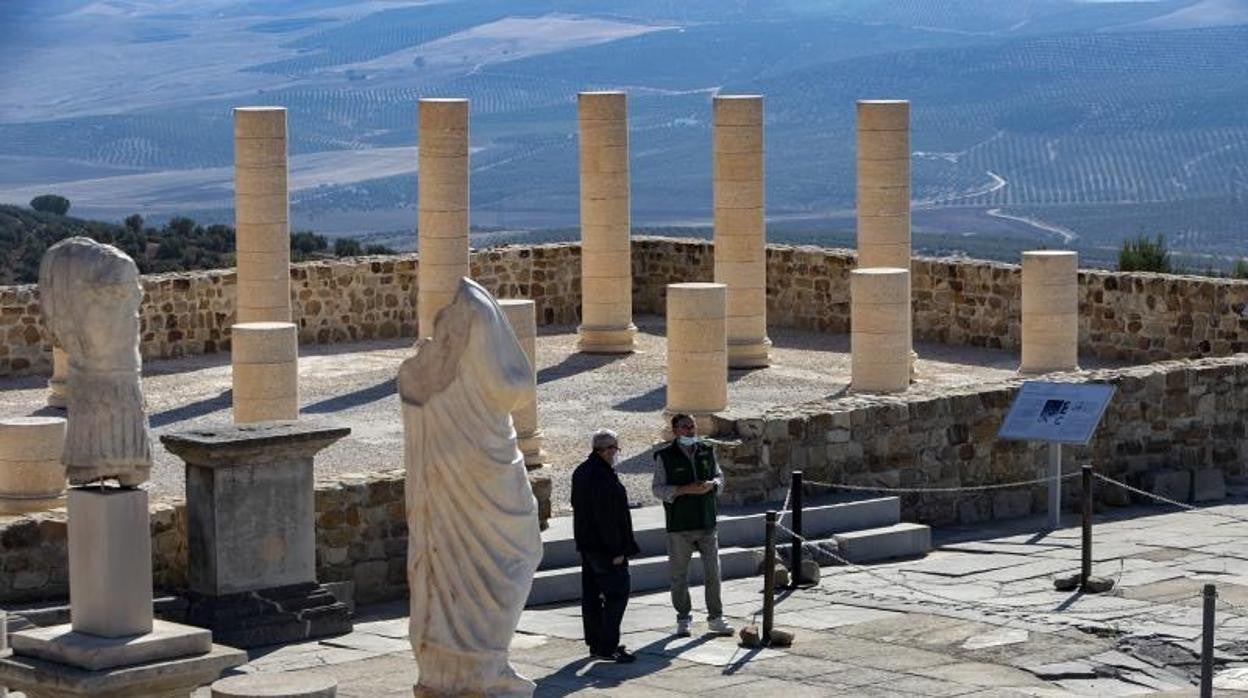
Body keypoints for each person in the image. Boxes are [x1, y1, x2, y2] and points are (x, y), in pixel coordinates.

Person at [652, 413, 735, 638]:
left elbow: (719, 477)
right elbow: (658, 488)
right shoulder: (664, 456)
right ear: (676, 430)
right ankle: (683, 617)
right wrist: (682, 490)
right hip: (680, 524)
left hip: (707, 521)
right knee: (679, 575)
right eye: (685, 427)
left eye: (692, 426)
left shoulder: (706, 450)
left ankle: (716, 617)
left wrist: (712, 485)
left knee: (713, 573)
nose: (690, 430)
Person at [571, 428, 640, 663]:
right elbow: (607, 518)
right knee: (617, 594)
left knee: (591, 596)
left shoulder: (582, 471)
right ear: (604, 450)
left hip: (588, 545)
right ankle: (607, 645)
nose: (615, 453)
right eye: (613, 448)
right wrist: (618, 551)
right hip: (605, 548)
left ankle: (595, 642)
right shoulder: (602, 477)